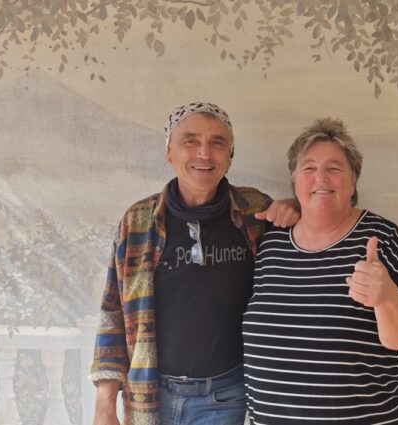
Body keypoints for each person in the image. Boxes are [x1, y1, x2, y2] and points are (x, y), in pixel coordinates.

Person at [89, 101, 299, 425]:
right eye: (191, 141)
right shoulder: (138, 222)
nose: (205, 153)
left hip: (225, 397)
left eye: (218, 142)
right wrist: (104, 404)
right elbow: (112, 312)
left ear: (230, 155)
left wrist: (296, 206)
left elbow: (315, 229)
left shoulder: (255, 213)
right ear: (169, 152)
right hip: (148, 394)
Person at [243, 118, 398, 424]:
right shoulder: (271, 243)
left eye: (334, 168)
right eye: (309, 168)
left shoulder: (383, 238)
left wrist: (385, 298)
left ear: (353, 182)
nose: (321, 178)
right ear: (294, 181)